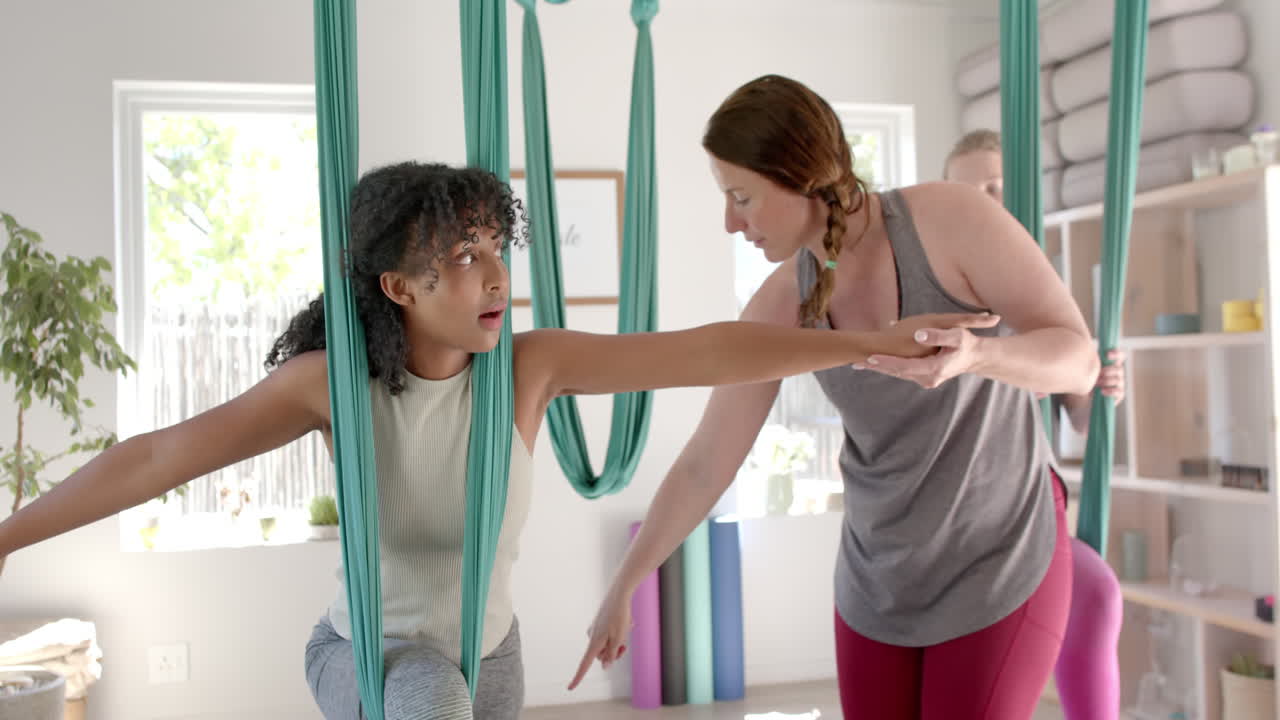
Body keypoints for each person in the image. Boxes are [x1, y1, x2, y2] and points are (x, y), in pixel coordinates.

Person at [0, 161, 993, 720]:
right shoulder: (332, 387)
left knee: (454, 688)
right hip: (373, 656)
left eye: (495, 249)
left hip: (494, 654)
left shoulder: (526, 368)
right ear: (399, 286)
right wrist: (7, 537)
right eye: (463, 255)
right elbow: (156, 457)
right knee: (429, 694)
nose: (494, 276)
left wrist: (865, 341)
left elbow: (704, 350)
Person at [571, 75, 1100, 720]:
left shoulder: (951, 219)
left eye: (742, 197)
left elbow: (1079, 361)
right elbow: (707, 463)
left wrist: (978, 356)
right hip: (878, 581)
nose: (731, 222)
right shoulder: (780, 302)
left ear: (799, 175)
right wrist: (625, 584)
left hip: (998, 555)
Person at [945, 128, 1127, 720]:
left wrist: (1100, 388)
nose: (983, 204)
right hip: (954, 527)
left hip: (1028, 521)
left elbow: (1079, 418)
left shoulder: (1042, 301)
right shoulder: (936, 300)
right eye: (967, 192)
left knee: (1097, 594)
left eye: (995, 189)